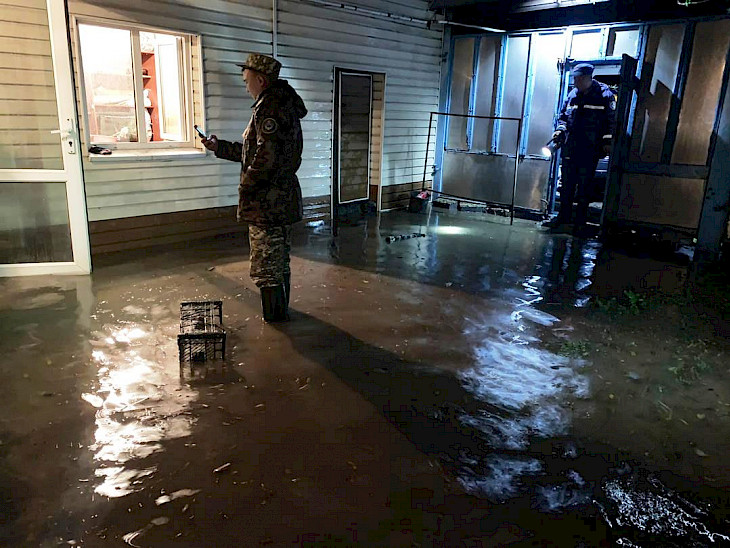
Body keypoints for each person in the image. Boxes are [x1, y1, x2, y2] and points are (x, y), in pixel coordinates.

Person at [200, 53, 307, 322]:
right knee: (277, 260)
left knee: (266, 265)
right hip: (278, 198)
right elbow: (253, 153)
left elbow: (266, 158)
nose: (246, 86)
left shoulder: (270, 108)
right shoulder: (276, 105)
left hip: (268, 201)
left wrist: (247, 186)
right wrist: (219, 147)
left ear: (261, 80)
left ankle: (276, 320)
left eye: (247, 81)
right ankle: (280, 313)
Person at [544, 63, 616, 237]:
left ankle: (580, 224)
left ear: (586, 78)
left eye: (577, 79)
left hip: (590, 149)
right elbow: (563, 117)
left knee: (585, 187)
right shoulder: (572, 94)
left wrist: (607, 142)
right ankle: (563, 219)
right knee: (567, 186)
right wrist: (560, 130)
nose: (575, 82)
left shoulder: (604, 94)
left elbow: (611, 121)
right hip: (571, 147)